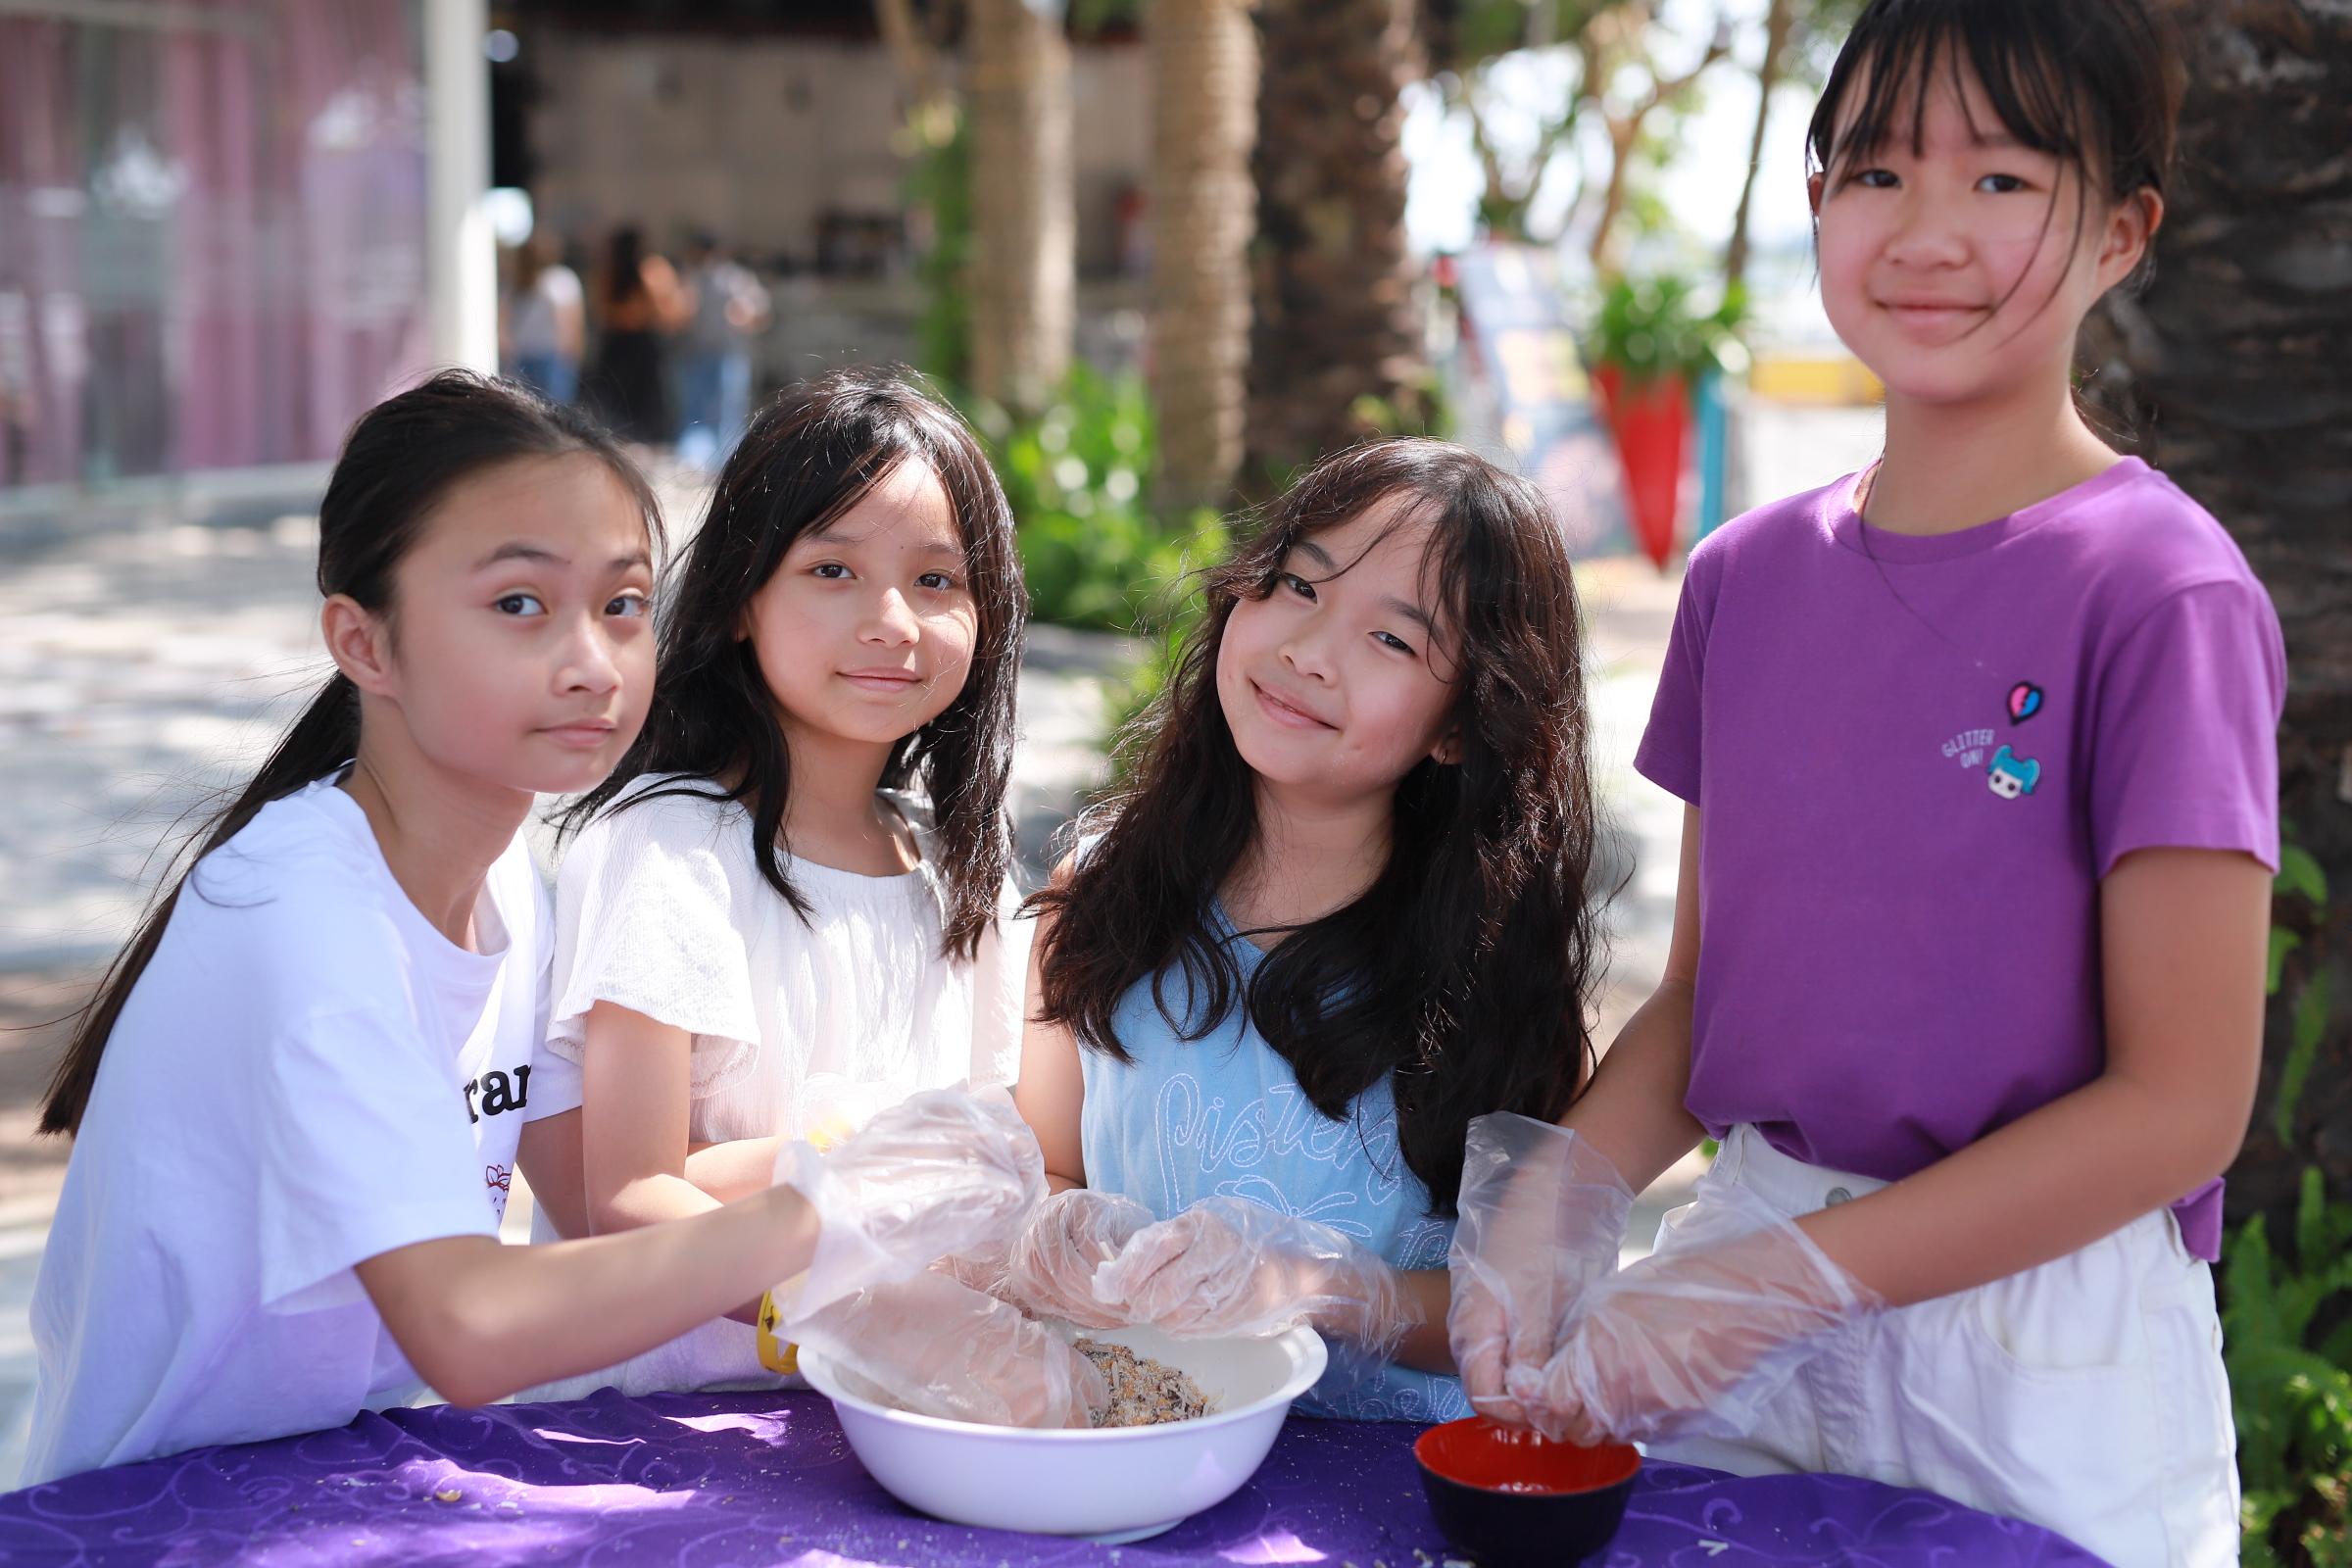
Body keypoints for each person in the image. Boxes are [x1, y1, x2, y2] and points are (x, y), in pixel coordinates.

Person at [1450, 4, 2280, 1564]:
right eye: (1880, 171)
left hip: (2038, 1348)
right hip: (1745, 1292)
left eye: (2004, 179)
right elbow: (1706, 1001)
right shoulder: (1743, 578)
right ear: (1819, 200)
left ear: (2122, 231)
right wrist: (1556, 1202)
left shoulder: (2164, 591)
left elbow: (2183, 1106)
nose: (1927, 231)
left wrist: (1789, 1284)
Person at [23, 371, 1043, 1483]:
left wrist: (918, 1205)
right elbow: (469, 1332)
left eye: (622, 605)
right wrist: (838, 1213)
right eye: (519, 604)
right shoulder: (305, 914)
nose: (590, 662)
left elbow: (599, 1212)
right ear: (364, 642)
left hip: (360, 1475)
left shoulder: (507, 880)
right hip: (170, 1505)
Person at [1004, 438, 1607, 1422]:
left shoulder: (1496, 975)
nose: (1309, 650)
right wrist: (1056, 1232)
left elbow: (1524, 1299)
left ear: (1464, 723)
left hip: (1386, 1479)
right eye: (1298, 585)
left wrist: (1326, 1286)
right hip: (1140, 1445)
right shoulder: (1103, 893)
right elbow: (1052, 1164)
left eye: (1393, 640)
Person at [530, 366, 1078, 1418]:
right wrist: (859, 1278)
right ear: (742, 599)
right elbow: (629, 1196)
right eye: (833, 569)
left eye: (938, 580)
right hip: (678, 1423)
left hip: (903, 1413)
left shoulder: (957, 865)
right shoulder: (667, 847)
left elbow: (1000, 1165)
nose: (892, 621)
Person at [674, 232, 771, 470]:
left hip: (728, 355)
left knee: (728, 410)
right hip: (697, 354)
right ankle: (698, 459)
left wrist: (745, 316)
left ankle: (727, 460)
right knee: (700, 410)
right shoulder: (693, 278)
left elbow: (759, 313)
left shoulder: (734, 279)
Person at [587, 226, 687, 445]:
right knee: (644, 404)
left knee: (616, 402)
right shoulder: (652, 269)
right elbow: (669, 313)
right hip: (642, 344)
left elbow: (600, 310)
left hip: (616, 343)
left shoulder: (610, 271)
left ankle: (620, 442)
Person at [502, 233, 585, 406]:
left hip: (551, 355)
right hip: (523, 354)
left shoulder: (561, 279)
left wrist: (571, 352)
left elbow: (571, 321)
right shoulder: (517, 283)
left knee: (554, 406)